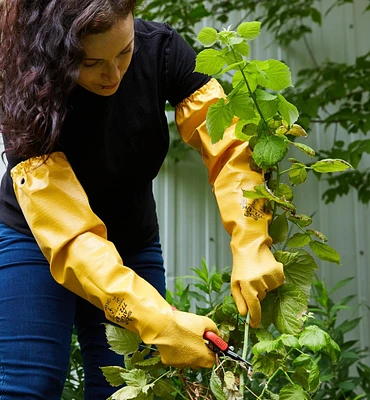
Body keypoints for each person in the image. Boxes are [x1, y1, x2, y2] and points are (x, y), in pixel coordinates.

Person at [0, 0, 285, 398]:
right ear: (56, 51)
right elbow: (71, 238)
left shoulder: (163, 49)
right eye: (90, 62)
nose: (112, 74)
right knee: (29, 386)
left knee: (129, 391)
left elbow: (228, 148)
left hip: (132, 240)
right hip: (39, 243)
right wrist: (160, 322)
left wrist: (252, 242)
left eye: (124, 52)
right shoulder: (26, 88)